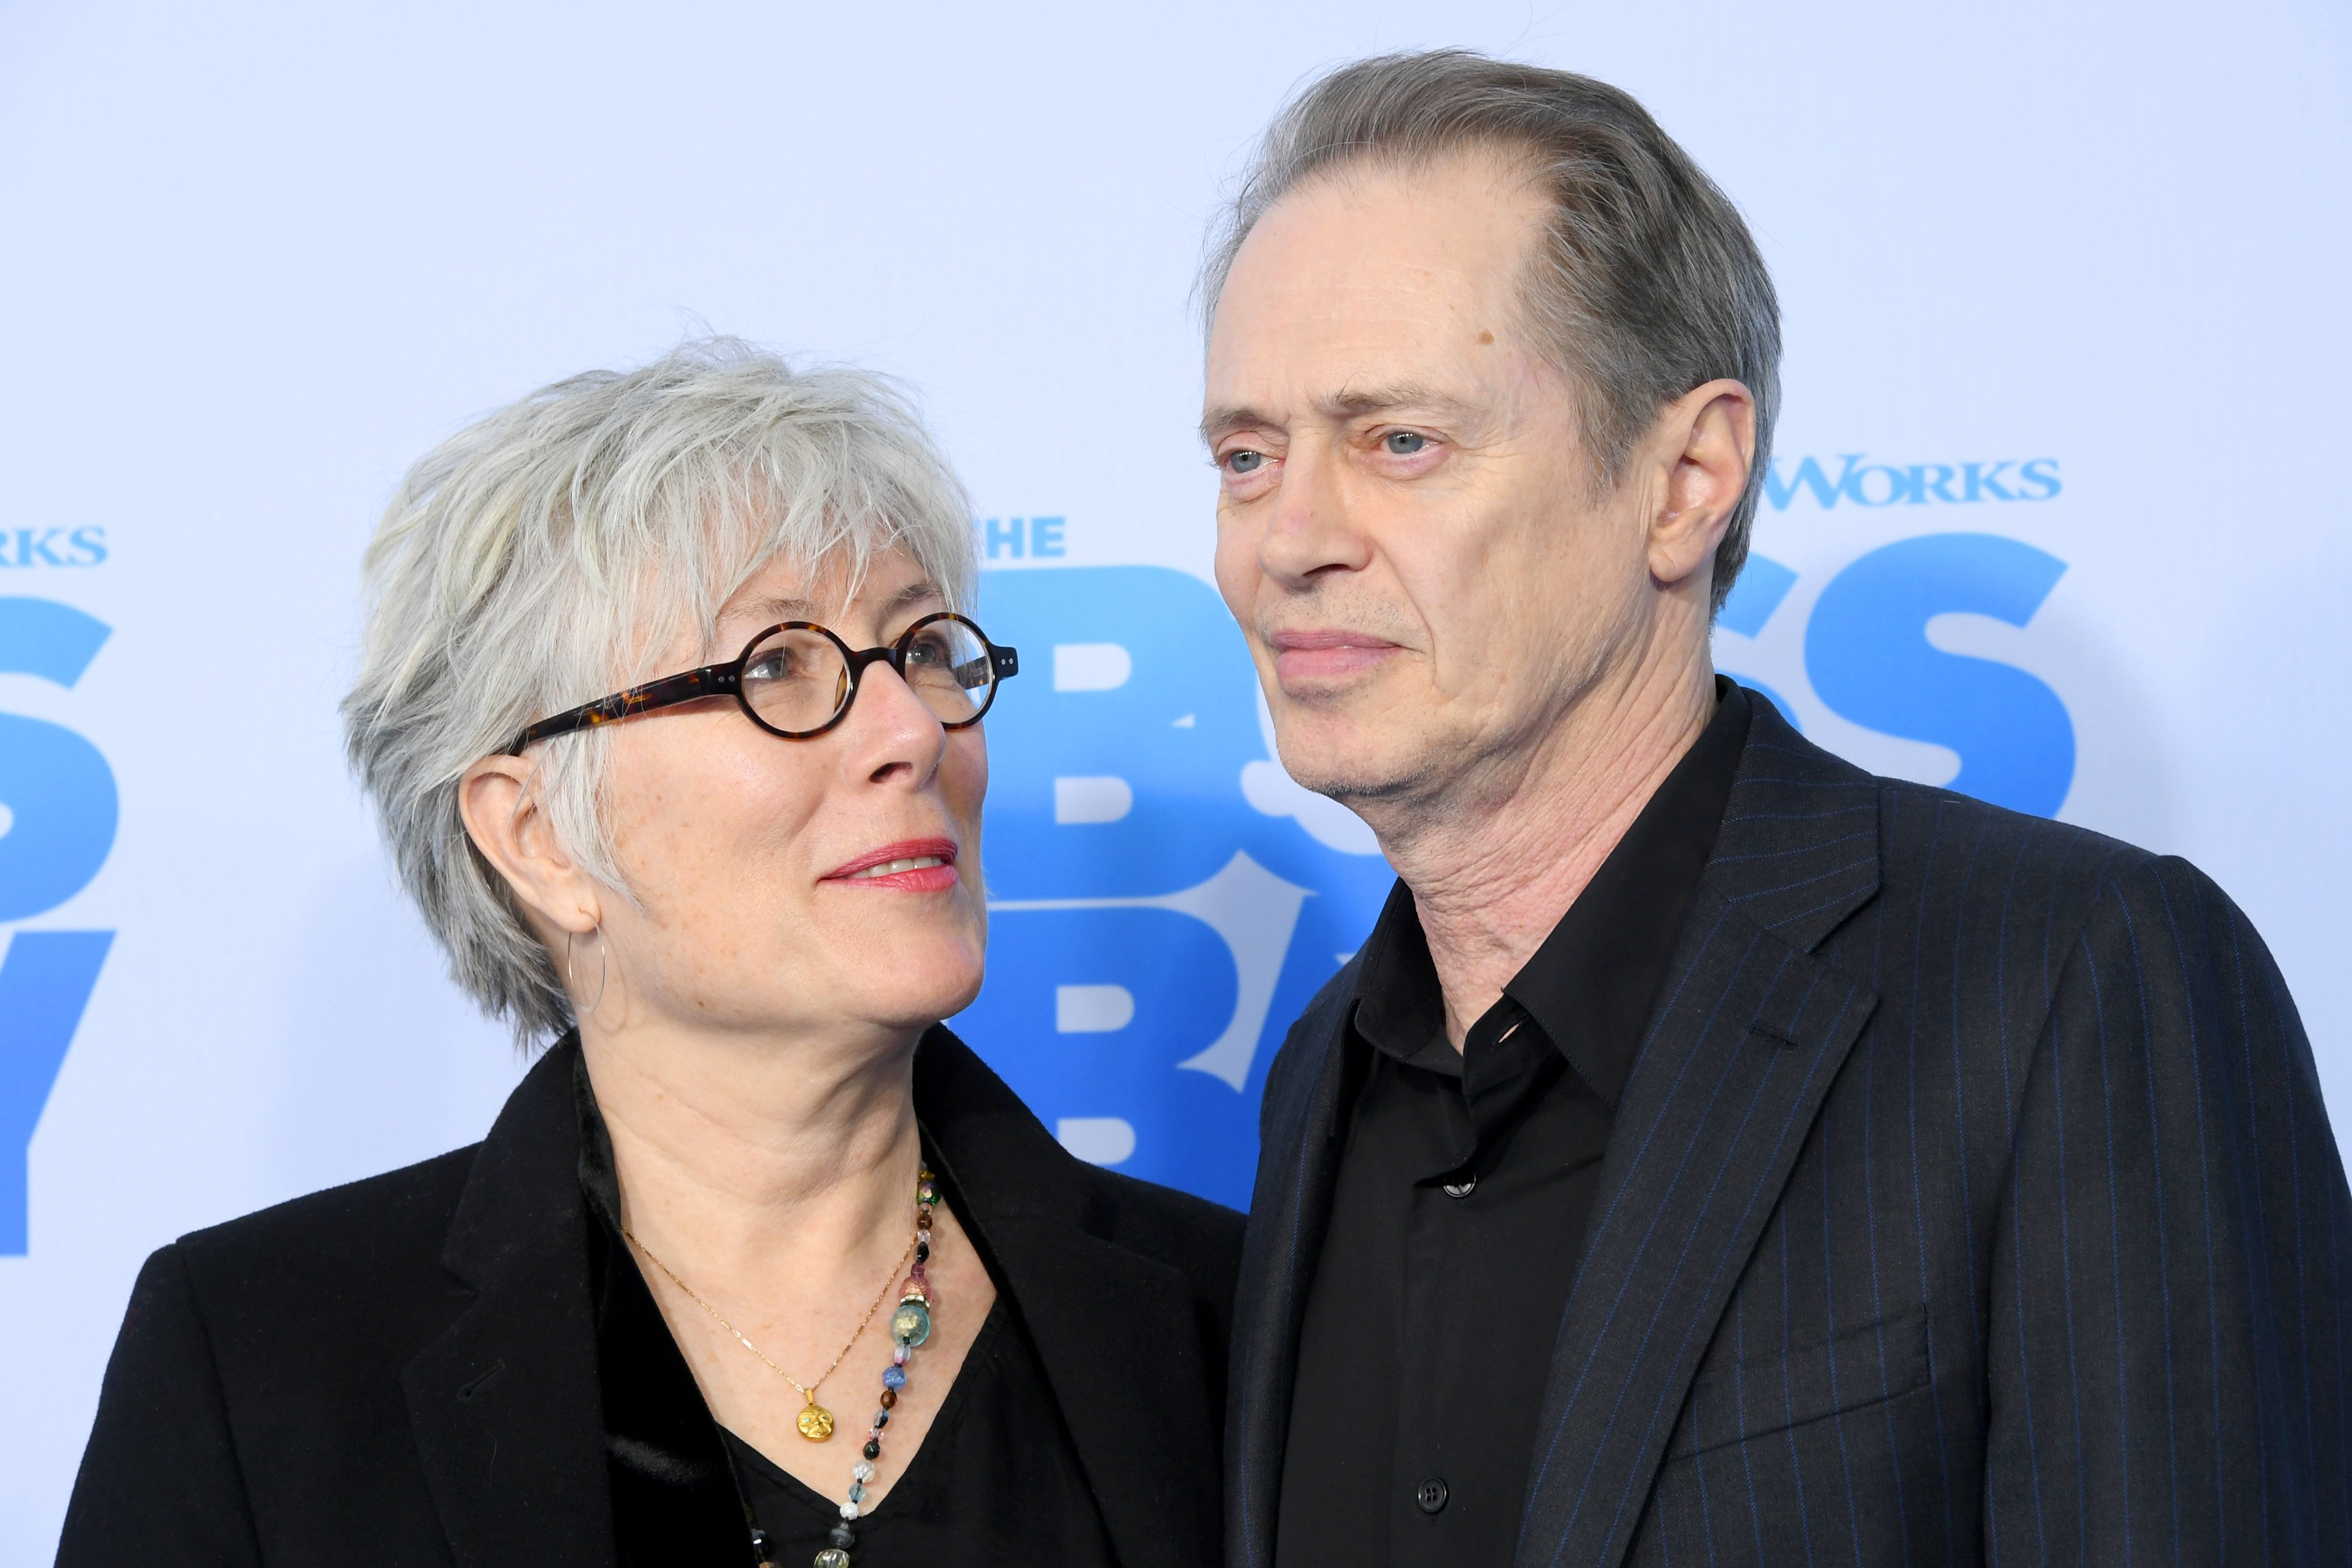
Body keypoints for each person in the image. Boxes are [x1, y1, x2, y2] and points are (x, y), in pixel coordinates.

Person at [1202, 50, 2352, 1567]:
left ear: (1687, 479)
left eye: (1398, 441)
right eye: (1245, 456)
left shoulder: (2076, 980)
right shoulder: (1318, 1079)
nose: (1287, 540)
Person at [59, 341, 1239, 1568]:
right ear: (539, 837)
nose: (908, 729)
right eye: (778, 666)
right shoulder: (261, 1360)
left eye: (923, 649)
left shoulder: (1238, 1315)